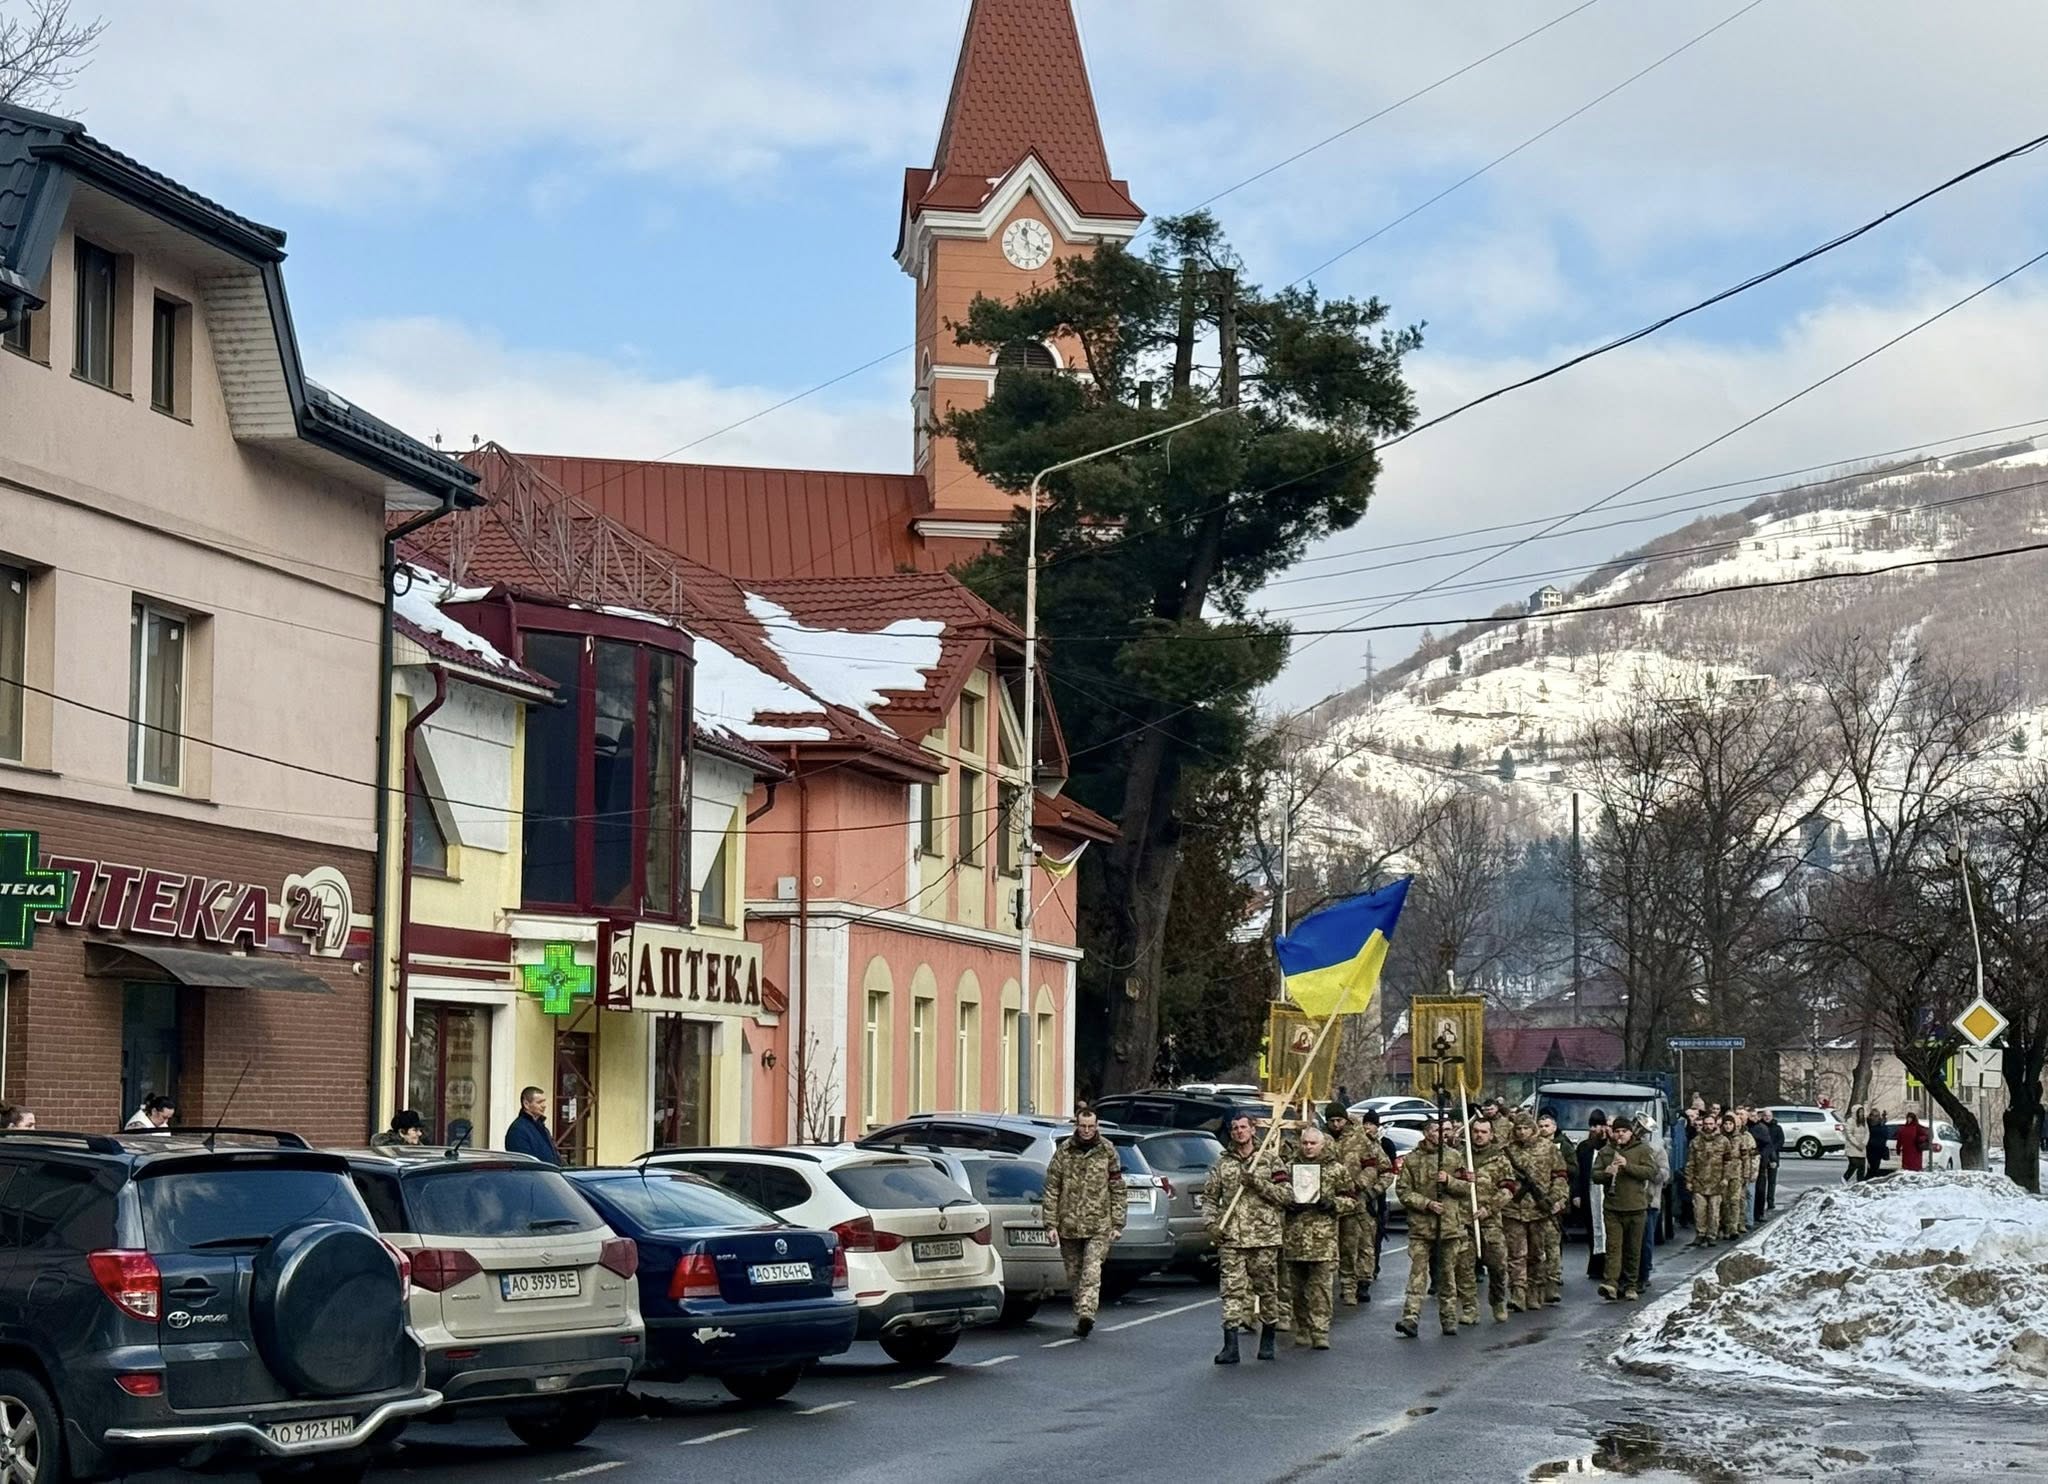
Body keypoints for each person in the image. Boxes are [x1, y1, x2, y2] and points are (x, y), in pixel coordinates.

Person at [1203, 1113, 1288, 1364]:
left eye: (1243, 1127)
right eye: (1235, 1128)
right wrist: (1212, 1224)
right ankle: (1231, 1346)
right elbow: (1209, 1198)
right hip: (1232, 1238)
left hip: (1263, 1238)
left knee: (1267, 1291)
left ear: (1253, 1130)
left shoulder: (1269, 1160)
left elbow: (1286, 1195)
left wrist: (1258, 1184)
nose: (1239, 1132)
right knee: (1231, 1291)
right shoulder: (1223, 1164)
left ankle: (1268, 1338)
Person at [1041, 1109, 1127, 1338]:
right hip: (1068, 1224)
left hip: (1099, 1224)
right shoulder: (1064, 1152)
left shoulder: (1107, 1151)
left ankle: (1087, 1314)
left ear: (1097, 1125)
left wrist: (1118, 1223)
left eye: (1091, 1126)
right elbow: (1051, 1188)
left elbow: (1117, 1188)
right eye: (1083, 1126)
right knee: (1074, 1274)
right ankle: (1081, 1314)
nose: (1087, 1131)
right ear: (1076, 1126)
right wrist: (1049, 1225)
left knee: (1092, 1270)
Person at [1394, 1119, 1475, 1339]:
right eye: (1436, 1130)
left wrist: (1449, 1180)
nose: (1440, 1134)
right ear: (1426, 1133)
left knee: (1446, 1275)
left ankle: (1448, 1318)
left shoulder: (1453, 1156)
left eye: (1443, 1131)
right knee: (1417, 1275)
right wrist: (1426, 1204)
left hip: (1448, 1227)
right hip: (1422, 1227)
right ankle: (1410, 1318)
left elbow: (1466, 1187)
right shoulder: (1412, 1160)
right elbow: (1403, 1191)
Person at [1279, 1124, 1356, 1350]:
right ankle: (1302, 1327)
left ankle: (1320, 1331)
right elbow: (1276, 1196)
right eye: (1305, 1143)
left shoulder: (1336, 1170)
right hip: (1294, 1239)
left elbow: (1352, 1199)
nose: (1308, 1147)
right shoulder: (1288, 1168)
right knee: (1296, 1289)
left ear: (1322, 1145)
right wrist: (1287, 1205)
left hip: (1322, 1241)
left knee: (1321, 1290)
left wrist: (1334, 1205)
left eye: (1313, 1143)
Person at [1330, 1103, 1389, 1305]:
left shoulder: (1361, 1140)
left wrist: (1368, 1191)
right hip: (1330, 1202)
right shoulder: (1323, 1140)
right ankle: (1345, 1283)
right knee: (1336, 1246)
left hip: (1359, 1201)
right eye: (1332, 1121)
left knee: (1361, 1244)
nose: (1336, 1124)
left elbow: (1381, 1169)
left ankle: (1361, 1283)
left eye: (1339, 1120)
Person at [1593, 1119, 1656, 1301]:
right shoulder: (1606, 1151)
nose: (1620, 1134)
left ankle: (1630, 1285)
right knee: (1613, 1247)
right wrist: (1607, 1173)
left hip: (1636, 1207)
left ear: (1630, 1133)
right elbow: (1594, 1175)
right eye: (1617, 1131)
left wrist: (1627, 1166)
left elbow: (1650, 1172)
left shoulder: (1642, 1150)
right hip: (1613, 1207)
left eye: (1624, 1131)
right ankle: (1610, 1283)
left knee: (1633, 1249)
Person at [1463, 1118, 1515, 1323]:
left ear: (1491, 1134)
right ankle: (1470, 1309)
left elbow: (1509, 1189)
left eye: (1484, 1132)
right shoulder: (1462, 1156)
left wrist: (1489, 1208)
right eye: (1476, 1131)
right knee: (1464, 1267)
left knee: (1497, 1265)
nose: (1479, 1135)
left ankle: (1498, 1301)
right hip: (1465, 1220)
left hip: (1490, 1220)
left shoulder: (1500, 1159)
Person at [1535, 1112, 1570, 1304]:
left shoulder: (1558, 1149)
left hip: (1552, 1204)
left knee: (1553, 1248)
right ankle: (1536, 1285)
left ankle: (1552, 1284)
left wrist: (1560, 1199)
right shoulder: (1528, 1149)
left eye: (1546, 1126)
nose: (1543, 1129)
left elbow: (1563, 1176)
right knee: (1536, 1250)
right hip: (1533, 1207)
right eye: (1540, 1125)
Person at [1576, 1111, 1609, 1278]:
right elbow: (1578, 1172)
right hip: (1590, 1191)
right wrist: (1577, 1194)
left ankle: (1608, 1265)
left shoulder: (1609, 1146)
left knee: (1607, 1228)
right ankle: (1595, 1265)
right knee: (1592, 1228)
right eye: (1592, 1126)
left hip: (1606, 1192)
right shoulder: (1584, 1147)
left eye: (1597, 1125)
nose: (1594, 1129)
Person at [1685, 1113, 1725, 1247]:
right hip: (1699, 1181)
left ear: (1715, 1125)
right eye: (1706, 1124)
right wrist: (1689, 1180)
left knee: (1714, 1212)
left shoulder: (1723, 1141)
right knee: (1699, 1211)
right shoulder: (1696, 1142)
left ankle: (1711, 1235)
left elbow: (1729, 1161)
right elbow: (1690, 1162)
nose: (1708, 1126)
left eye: (1710, 1124)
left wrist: (1725, 1178)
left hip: (1716, 1181)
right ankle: (1700, 1234)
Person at [504, 1086, 560, 1165]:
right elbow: (524, 1163)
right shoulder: (517, 1130)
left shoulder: (542, 1128)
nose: (544, 1105)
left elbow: (555, 1156)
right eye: (539, 1102)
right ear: (526, 1104)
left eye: (544, 1102)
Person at [1717, 1112, 1748, 1241]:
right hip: (1722, 1174)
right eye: (1726, 1124)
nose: (1728, 1126)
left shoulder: (1739, 1139)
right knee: (1723, 1202)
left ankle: (1733, 1228)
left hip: (1736, 1173)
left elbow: (1745, 1157)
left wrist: (1746, 1173)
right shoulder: (1719, 1139)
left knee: (1735, 1201)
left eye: (1730, 1124)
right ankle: (1724, 1226)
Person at [1759, 1108, 1785, 1211]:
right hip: (1763, 1157)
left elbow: (1781, 1141)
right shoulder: (1760, 1127)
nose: (1767, 1117)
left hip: (1774, 1156)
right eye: (1765, 1115)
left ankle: (1771, 1202)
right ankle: (1761, 1203)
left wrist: (1772, 1149)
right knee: (1762, 1181)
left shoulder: (1777, 1128)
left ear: (1772, 1117)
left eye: (1769, 1116)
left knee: (1772, 1181)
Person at [1842, 1103, 1869, 1181]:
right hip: (1852, 1147)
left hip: (1862, 1147)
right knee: (1854, 1164)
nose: (1861, 1114)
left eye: (1862, 1112)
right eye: (1860, 1112)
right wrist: (1857, 1144)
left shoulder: (1864, 1122)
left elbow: (1867, 1133)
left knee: (1862, 1166)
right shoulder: (1850, 1121)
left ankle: (1860, 1181)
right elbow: (1849, 1135)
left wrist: (1864, 1143)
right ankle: (1845, 1178)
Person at [1866, 1109, 1888, 1177]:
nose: (1875, 1118)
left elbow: (1885, 1135)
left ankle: (1871, 1180)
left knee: (1875, 1167)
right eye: (1874, 1116)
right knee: (1871, 1168)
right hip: (1870, 1148)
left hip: (1879, 1149)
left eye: (1877, 1116)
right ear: (1871, 1116)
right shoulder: (1868, 1124)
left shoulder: (1881, 1124)